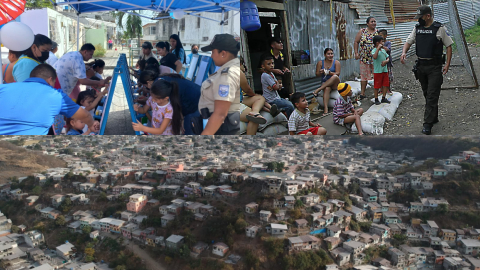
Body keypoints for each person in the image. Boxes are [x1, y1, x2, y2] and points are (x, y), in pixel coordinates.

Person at [400, 5, 453, 135]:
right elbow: (409, 41)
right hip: (421, 66)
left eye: (421, 17)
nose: (419, 20)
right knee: (426, 93)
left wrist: (447, 64)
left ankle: (427, 124)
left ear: (428, 16)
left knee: (432, 95)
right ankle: (433, 117)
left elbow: (449, 46)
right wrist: (403, 52)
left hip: (435, 67)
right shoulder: (417, 29)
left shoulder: (439, 28)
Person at [0, 64, 94, 135]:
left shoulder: (3, 88)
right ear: (50, 80)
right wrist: (91, 125)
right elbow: (85, 116)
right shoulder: (56, 95)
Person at [196, 34, 240, 135]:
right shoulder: (233, 68)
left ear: (223, 53)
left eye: (213, 52)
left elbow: (220, 114)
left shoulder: (227, 75)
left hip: (222, 128)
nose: (211, 56)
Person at [354, 17, 378, 99]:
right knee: (363, 76)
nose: (374, 23)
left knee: (377, 75)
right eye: (372, 21)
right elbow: (356, 42)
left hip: (375, 59)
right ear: (367, 23)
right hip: (364, 58)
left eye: (374, 21)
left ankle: (378, 93)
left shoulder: (377, 32)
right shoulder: (362, 31)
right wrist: (356, 53)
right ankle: (362, 93)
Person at [313, 48, 341, 115]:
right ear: (325, 55)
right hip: (325, 83)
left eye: (331, 54)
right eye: (328, 54)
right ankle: (326, 109)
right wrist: (321, 72)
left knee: (334, 76)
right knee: (327, 88)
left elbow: (337, 73)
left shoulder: (336, 62)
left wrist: (329, 72)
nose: (330, 55)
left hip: (335, 83)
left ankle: (319, 89)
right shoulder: (320, 63)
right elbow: (317, 74)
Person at [372, 35, 391, 105]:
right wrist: (378, 49)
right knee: (377, 85)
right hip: (378, 71)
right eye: (382, 41)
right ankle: (376, 98)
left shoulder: (383, 50)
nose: (383, 43)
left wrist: (386, 61)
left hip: (384, 70)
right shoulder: (374, 50)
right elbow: (374, 57)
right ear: (377, 43)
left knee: (385, 84)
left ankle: (383, 97)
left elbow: (388, 57)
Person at [378, 29, 393, 93]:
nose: (380, 37)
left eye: (381, 35)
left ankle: (388, 89)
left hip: (387, 63)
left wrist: (381, 46)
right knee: (381, 76)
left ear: (385, 36)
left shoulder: (388, 43)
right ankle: (381, 90)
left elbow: (388, 49)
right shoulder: (378, 43)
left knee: (387, 76)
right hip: (380, 63)